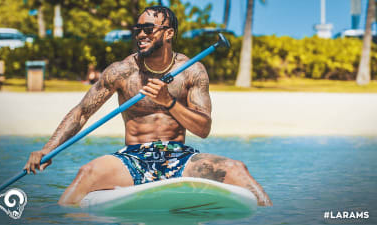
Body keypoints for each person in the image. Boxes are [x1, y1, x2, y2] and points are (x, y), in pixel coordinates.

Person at [24, 6, 272, 206]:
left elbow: (203, 127)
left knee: (239, 171)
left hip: (180, 157)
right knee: (85, 174)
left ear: (169, 33)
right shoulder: (122, 71)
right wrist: (48, 150)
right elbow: (81, 113)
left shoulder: (191, 71)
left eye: (148, 29)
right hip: (133, 157)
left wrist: (169, 102)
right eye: (138, 29)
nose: (141, 34)